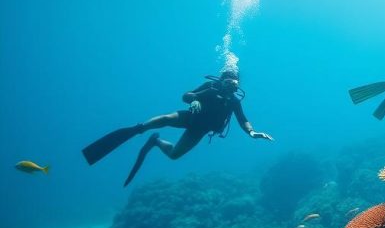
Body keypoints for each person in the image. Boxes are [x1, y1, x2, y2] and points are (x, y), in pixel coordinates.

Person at [82, 69, 272, 186]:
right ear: (222, 80)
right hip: (190, 117)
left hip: (200, 130)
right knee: (166, 118)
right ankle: (139, 129)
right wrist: (196, 98)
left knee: (174, 155)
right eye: (228, 82)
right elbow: (186, 96)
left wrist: (251, 132)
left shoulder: (234, 102)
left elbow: (242, 119)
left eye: (234, 83)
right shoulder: (209, 86)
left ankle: (155, 141)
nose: (231, 86)